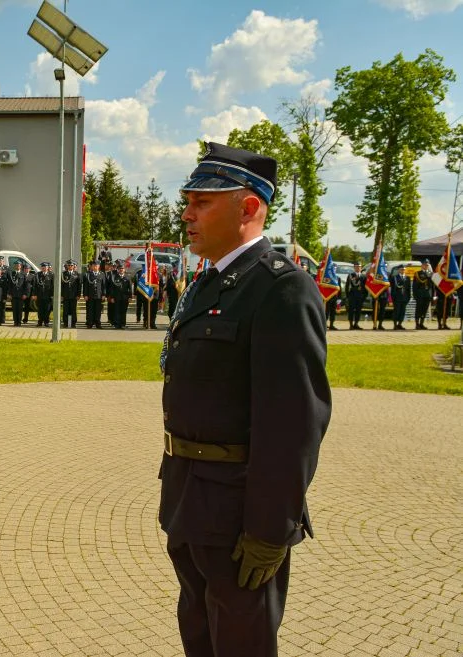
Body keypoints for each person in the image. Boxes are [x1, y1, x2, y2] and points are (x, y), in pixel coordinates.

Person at [159, 142, 331, 657]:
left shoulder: (280, 288)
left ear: (250, 207)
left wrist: (269, 530)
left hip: (239, 517)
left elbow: (293, 421)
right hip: (190, 500)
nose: (186, 214)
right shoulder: (208, 283)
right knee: (200, 637)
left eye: (203, 203)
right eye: (187, 201)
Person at [344, 263, 367, 329]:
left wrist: (364, 296)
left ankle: (356, 324)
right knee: (351, 310)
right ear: (354, 268)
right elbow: (347, 286)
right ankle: (351, 324)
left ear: (361, 267)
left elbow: (365, 287)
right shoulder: (351, 275)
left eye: (359, 267)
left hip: (360, 296)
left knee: (358, 310)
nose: (358, 268)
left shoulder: (363, 276)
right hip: (352, 296)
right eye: (356, 267)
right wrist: (348, 296)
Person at [111, 263, 133, 329]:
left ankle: (123, 324)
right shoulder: (114, 277)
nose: (121, 270)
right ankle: (117, 324)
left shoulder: (127, 278)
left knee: (123, 311)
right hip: (117, 297)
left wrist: (130, 297)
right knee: (117, 311)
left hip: (125, 298)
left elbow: (130, 288)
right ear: (118, 270)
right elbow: (112, 288)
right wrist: (112, 297)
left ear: (124, 270)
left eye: (122, 268)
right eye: (120, 269)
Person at [83, 260, 105, 328]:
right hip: (90, 295)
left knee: (98, 310)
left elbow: (103, 285)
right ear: (91, 266)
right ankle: (90, 323)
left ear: (99, 266)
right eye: (94, 265)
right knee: (90, 310)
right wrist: (85, 295)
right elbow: (85, 286)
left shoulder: (102, 274)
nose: (95, 267)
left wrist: (104, 294)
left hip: (98, 295)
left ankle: (98, 323)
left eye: (96, 265)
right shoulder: (88, 274)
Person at [413, 260, 433, 329]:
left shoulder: (430, 273)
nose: (426, 266)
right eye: (425, 265)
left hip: (427, 295)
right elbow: (415, 286)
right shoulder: (417, 273)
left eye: (427, 265)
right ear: (422, 265)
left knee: (424, 309)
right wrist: (415, 295)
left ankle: (421, 323)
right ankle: (417, 324)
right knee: (419, 309)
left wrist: (432, 295)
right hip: (420, 294)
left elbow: (432, 286)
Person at [8, 261, 30, 326]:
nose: (17, 266)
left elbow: (26, 285)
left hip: (21, 295)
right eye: (16, 265)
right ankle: (15, 321)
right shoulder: (12, 273)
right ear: (15, 266)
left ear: (21, 266)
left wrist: (25, 294)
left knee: (20, 309)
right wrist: (9, 294)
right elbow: (10, 285)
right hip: (13, 295)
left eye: (19, 265)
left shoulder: (23, 274)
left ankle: (19, 322)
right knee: (14, 309)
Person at [60, 259, 81, 328]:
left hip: (74, 295)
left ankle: (73, 323)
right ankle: (65, 323)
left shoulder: (77, 274)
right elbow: (62, 286)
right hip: (65, 295)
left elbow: (79, 286)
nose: (70, 266)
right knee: (65, 310)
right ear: (67, 266)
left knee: (73, 310)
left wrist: (78, 295)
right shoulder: (63, 274)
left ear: (73, 266)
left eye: (71, 265)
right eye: (68, 265)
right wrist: (61, 295)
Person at [33, 261, 54, 327]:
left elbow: (53, 286)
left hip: (48, 296)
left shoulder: (51, 275)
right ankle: (40, 322)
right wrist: (35, 294)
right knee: (40, 310)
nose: (44, 268)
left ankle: (46, 322)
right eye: (42, 267)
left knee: (47, 310)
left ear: (48, 268)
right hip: (40, 295)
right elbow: (35, 285)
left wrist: (52, 295)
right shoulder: (38, 274)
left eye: (45, 267)